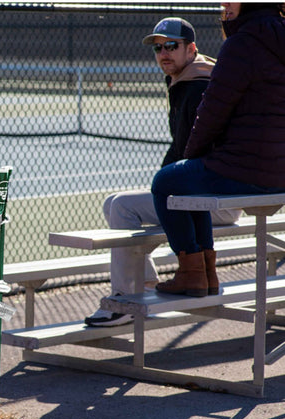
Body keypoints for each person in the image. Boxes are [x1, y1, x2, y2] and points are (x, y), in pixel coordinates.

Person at [85, 16, 242, 326]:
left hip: (215, 199)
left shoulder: (196, 87)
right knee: (114, 202)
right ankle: (142, 287)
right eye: (158, 48)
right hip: (214, 192)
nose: (163, 53)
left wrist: (163, 184)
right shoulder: (190, 78)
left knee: (120, 206)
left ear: (191, 48)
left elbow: (187, 152)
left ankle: (121, 302)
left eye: (171, 46)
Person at [151, 3, 285, 297]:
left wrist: (193, 154)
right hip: (279, 172)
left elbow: (213, 110)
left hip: (246, 167)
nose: (224, 4)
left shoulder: (243, 44)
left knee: (165, 182)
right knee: (188, 184)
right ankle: (205, 273)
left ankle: (193, 273)